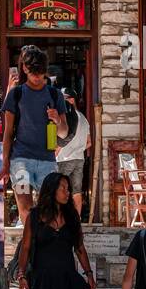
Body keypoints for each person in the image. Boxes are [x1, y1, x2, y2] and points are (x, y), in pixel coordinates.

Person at [0, 45, 68, 224]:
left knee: (50, 209)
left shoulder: (55, 94)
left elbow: (64, 131)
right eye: (33, 72)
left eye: (41, 73)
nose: (37, 77)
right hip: (20, 160)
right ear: (25, 69)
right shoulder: (16, 94)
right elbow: (7, 133)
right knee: (26, 208)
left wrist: (57, 120)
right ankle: (31, 245)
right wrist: (5, 163)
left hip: (48, 161)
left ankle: (43, 245)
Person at [56, 87, 92, 215]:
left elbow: (63, 138)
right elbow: (89, 142)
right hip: (79, 159)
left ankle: (59, 218)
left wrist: (56, 152)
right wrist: (78, 149)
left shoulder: (67, 117)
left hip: (64, 159)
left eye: (64, 99)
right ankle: (76, 220)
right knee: (76, 191)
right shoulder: (83, 118)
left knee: (58, 190)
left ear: (71, 100)